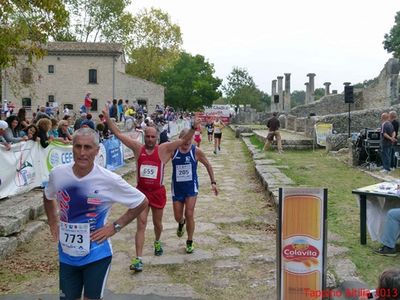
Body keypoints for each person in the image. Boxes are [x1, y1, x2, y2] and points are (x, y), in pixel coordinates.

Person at [44, 127, 148, 300]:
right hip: (67, 254)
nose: (82, 153)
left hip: (97, 254)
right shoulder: (58, 174)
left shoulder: (109, 179)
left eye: (88, 147)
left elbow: (141, 201)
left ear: (97, 150)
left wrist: (115, 227)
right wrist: (53, 221)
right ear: (72, 147)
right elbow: (48, 197)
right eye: (78, 147)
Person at [102, 105, 199, 272]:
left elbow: (183, 141)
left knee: (157, 224)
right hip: (141, 193)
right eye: (147, 136)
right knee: (141, 223)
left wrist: (193, 127)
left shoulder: (163, 149)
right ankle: (138, 259)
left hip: (158, 193)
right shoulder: (137, 149)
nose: (150, 139)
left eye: (153, 136)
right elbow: (118, 134)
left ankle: (157, 241)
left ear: (156, 138)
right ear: (143, 136)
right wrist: (108, 119)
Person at [171, 128, 218, 253]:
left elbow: (208, 164)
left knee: (189, 213)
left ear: (192, 139)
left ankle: (190, 241)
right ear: (180, 139)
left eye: (189, 140)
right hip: (177, 188)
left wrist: (213, 182)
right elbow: (161, 161)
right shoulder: (173, 151)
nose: (186, 142)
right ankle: (181, 223)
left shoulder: (196, 151)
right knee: (178, 216)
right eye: (184, 140)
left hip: (191, 187)